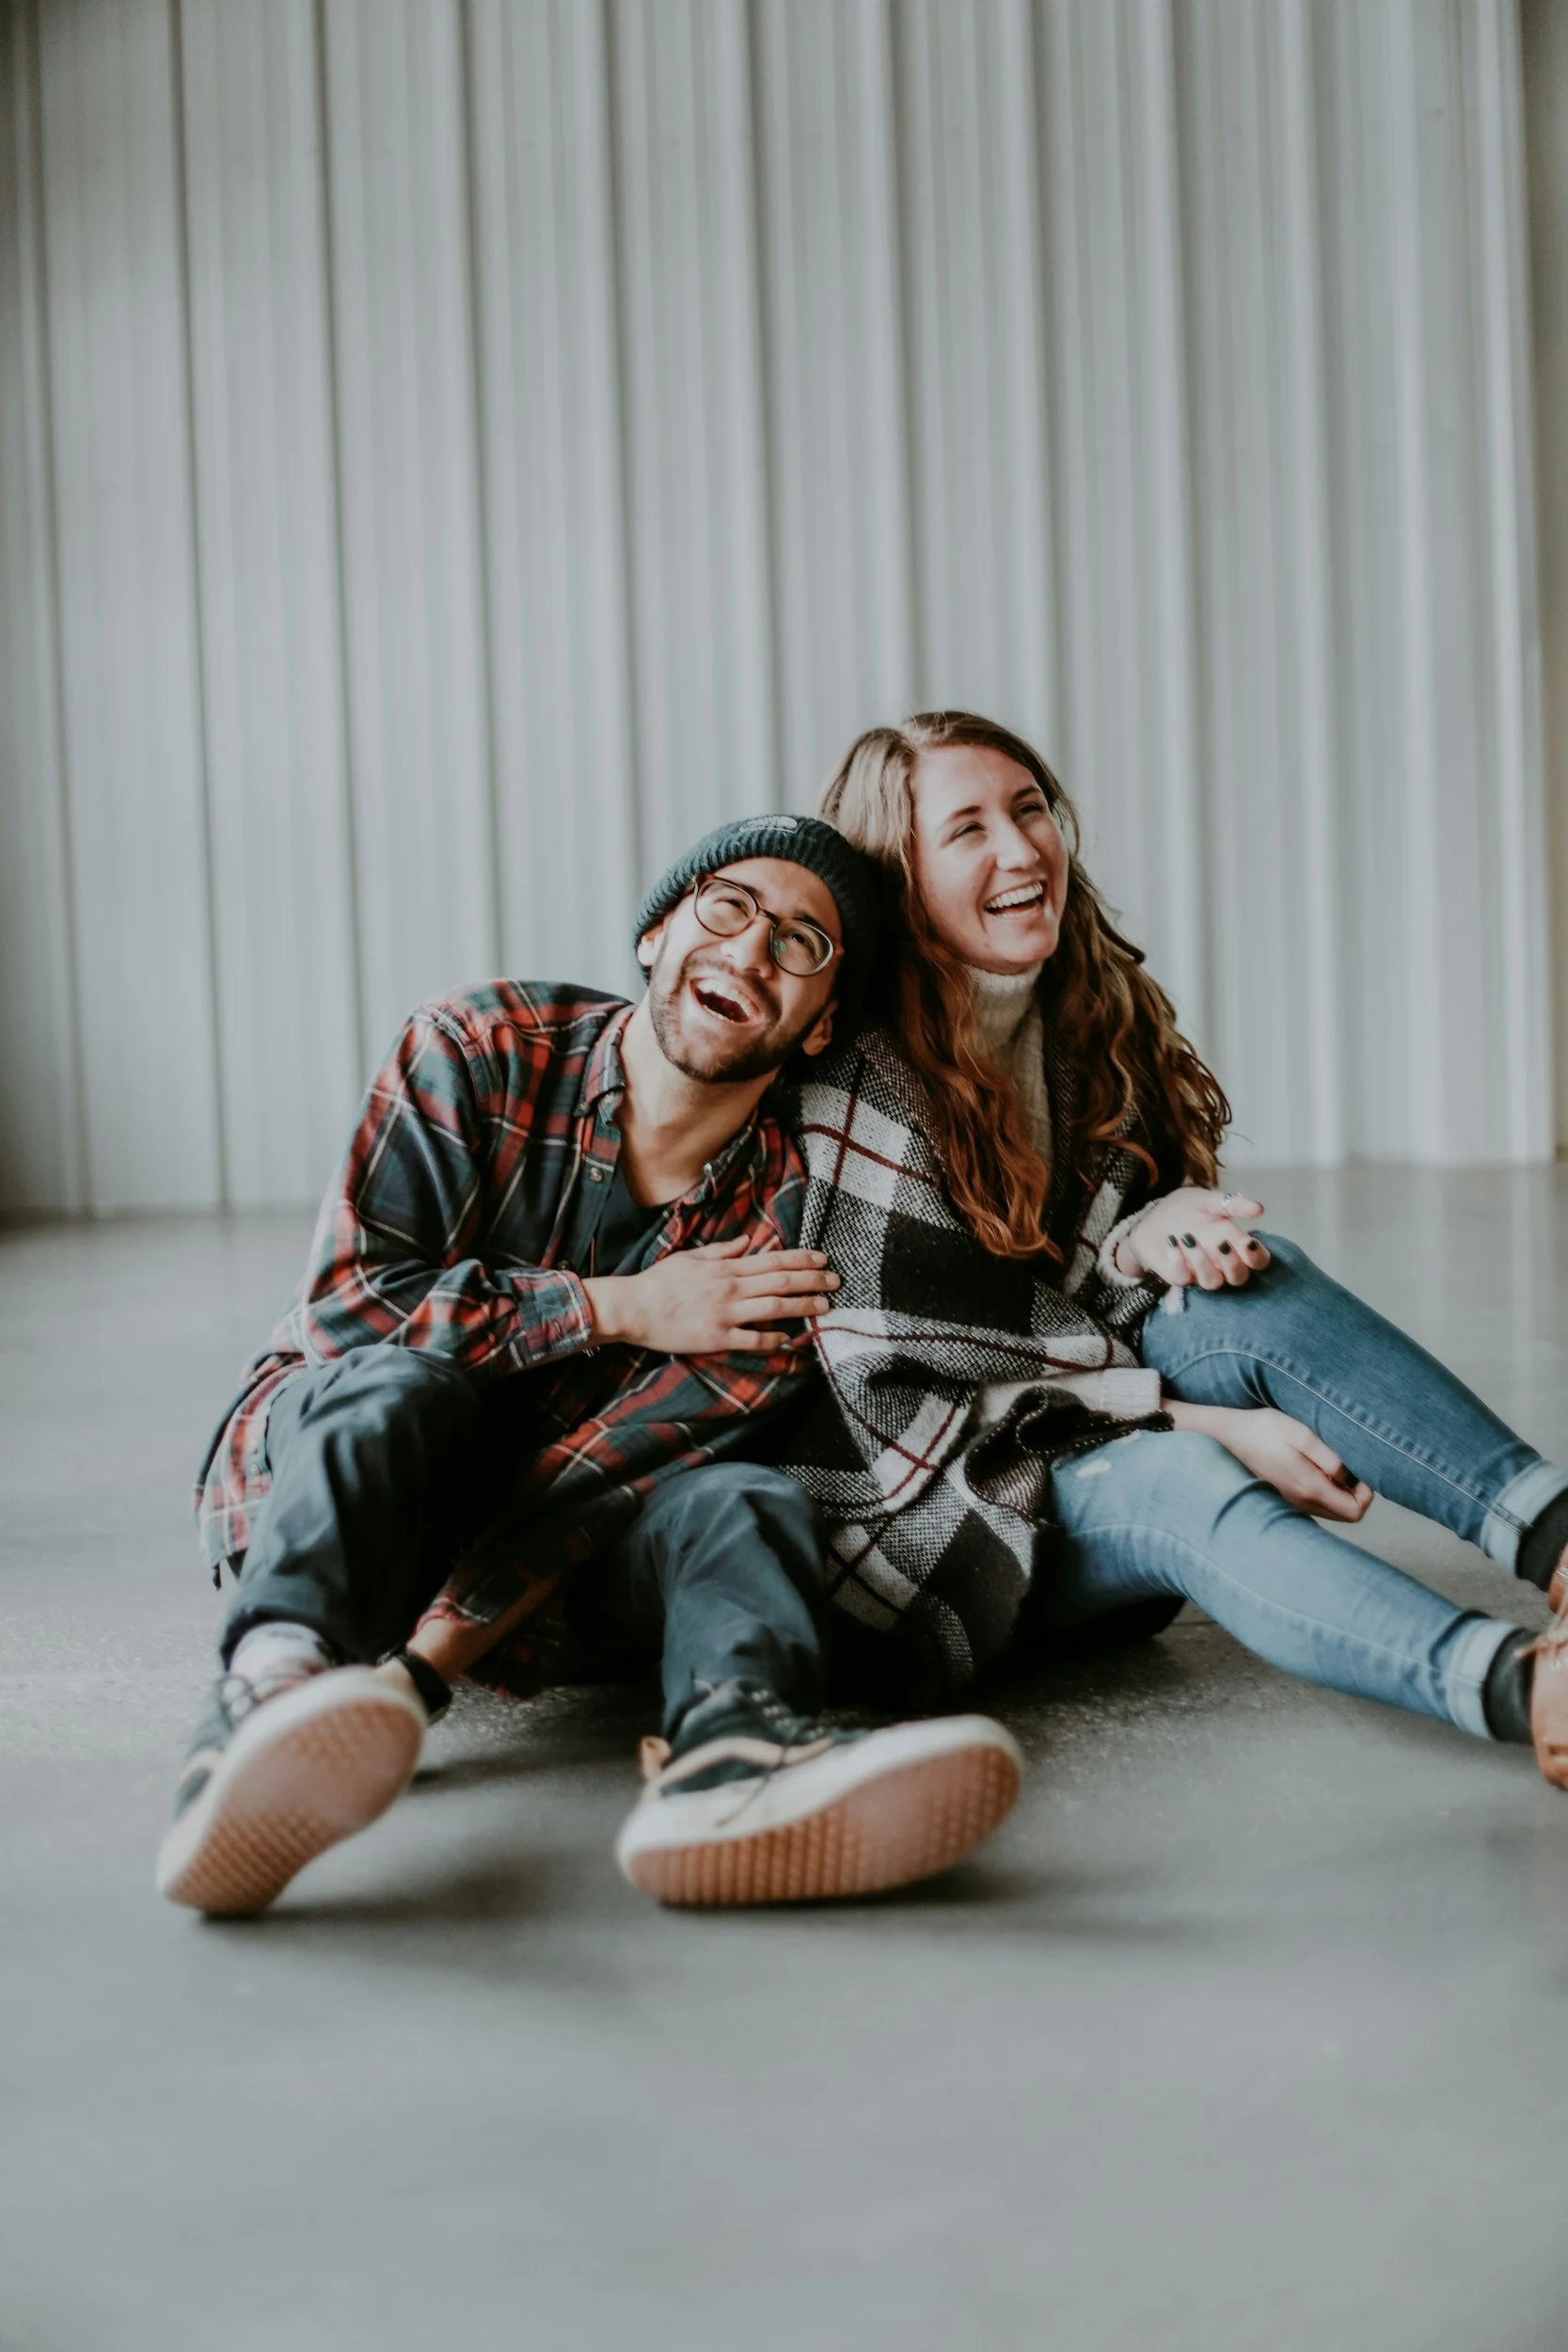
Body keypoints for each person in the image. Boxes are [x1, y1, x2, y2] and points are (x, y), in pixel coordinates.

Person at [157, 814, 1021, 1920]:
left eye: (801, 945)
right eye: (727, 908)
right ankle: (268, 1689)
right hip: (335, 1494)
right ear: (657, 934)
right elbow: (348, 1316)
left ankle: (734, 1752)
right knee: (406, 1381)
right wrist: (620, 1308)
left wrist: (422, 1672)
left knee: (741, 1499)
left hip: (547, 1573)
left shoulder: (786, 1226)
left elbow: (613, 1472)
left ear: (816, 1029)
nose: (752, 950)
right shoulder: (478, 1045)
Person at [770, 710, 1568, 1780]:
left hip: (1050, 1465)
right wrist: (1192, 1421)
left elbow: (1051, 1296)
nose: (1021, 849)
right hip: (920, 1541)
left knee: (1242, 1286)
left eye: (1028, 808)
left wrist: (1149, 1233)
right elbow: (914, 1399)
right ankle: (1524, 1687)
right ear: (897, 873)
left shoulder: (1075, 1014)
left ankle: (1552, 1534)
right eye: (966, 829)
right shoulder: (859, 1083)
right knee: (1176, 1476)